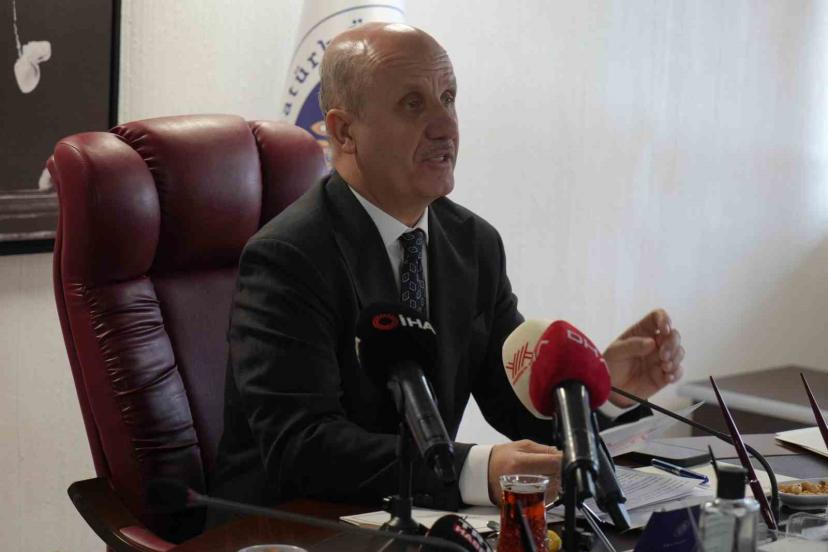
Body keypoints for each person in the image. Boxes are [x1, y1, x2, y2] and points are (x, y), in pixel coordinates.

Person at [210, 23, 685, 515]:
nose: (445, 126)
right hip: (285, 528)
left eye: (449, 98)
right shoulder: (289, 256)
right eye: (413, 104)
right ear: (344, 131)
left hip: (413, 522)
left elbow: (513, 402)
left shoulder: (472, 244)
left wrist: (600, 394)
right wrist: (475, 470)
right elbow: (302, 447)